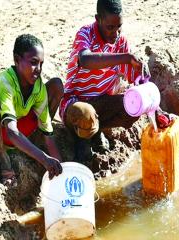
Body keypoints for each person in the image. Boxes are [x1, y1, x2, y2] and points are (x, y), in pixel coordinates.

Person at [59, 0, 149, 162]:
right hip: (75, 105)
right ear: (98, 19)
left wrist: (140, 73)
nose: (115, 33)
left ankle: (96, 129)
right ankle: (82, 138)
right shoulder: (85, 34)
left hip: (102, 103)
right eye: (110, 27)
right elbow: (85, 60)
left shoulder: (120, 42)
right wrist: (126, 58)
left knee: (135, 105)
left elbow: (134, 78)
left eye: (119, 27)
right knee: (85, 114)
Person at [0, 34, 63, 188]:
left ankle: (32, 147)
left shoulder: (37, 86)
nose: (38, 69)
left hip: (23, 130)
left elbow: (48, 132)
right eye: (33, 63)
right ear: (17, 60)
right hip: (1, 133)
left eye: (41, 64)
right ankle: (3, 157)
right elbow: (11, 132)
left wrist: (61, 167)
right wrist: (44, 159)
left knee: (56, 84)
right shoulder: (7, 83)